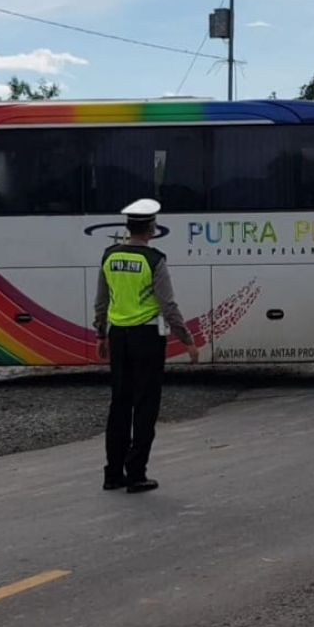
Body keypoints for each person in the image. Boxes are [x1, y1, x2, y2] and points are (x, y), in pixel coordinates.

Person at [95, 199, 199, 493]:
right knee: (145, 405)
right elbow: (168, 305)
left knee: (119, 404)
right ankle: (136, 473)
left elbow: (101, 300)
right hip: (147, 338)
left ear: (128, 228)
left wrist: (100, 334)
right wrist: (188, 340)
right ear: (151, 229)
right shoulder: (154, 260)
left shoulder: (109, 256)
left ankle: (113, 474)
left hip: (118, 337)